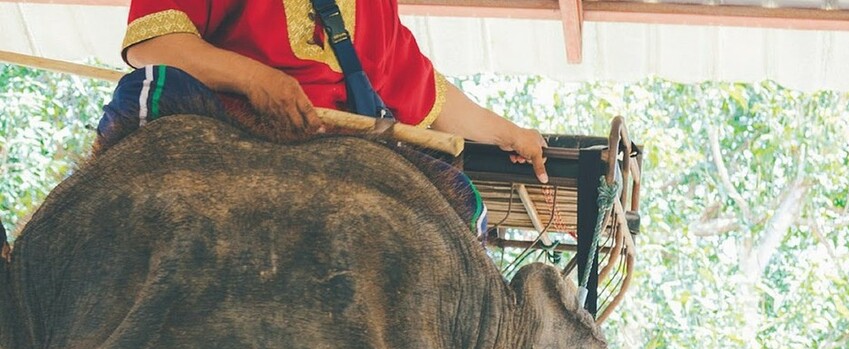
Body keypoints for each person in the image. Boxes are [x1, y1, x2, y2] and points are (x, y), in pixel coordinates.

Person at [109, 0, 547, 192]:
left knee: (463, 208)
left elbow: (428, 94)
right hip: (228, 133)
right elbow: (154, 45)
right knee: (148, 93)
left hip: (346, 162)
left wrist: (510, 133)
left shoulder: (377, 8)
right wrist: (254, 79)